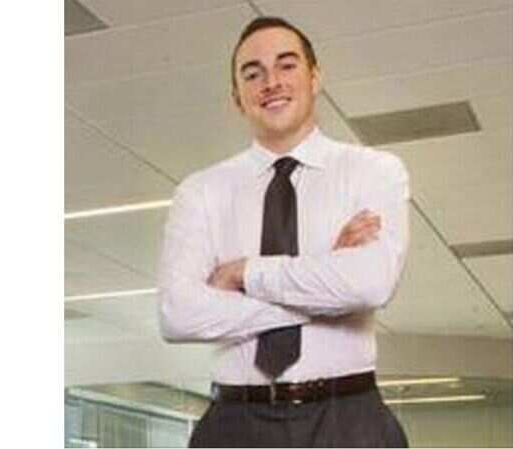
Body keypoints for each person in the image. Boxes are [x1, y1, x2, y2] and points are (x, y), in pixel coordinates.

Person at [156, 16, 410, 447]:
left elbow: (371, 283)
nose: (271, 82)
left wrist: (244, 273)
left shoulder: (374, 170)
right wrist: (324, 287)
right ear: (237, 98)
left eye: (287, 65)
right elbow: (177, 314)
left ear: (315, 77)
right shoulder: (201, 191)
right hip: (234, 425)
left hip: (348, 422)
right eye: (252, 73)